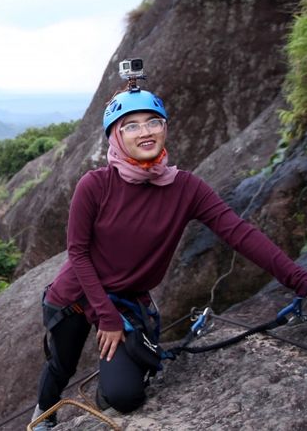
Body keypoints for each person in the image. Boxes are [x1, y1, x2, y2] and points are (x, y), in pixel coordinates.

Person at [31, 88, 307, 430]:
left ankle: (110, 386)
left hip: (128, 298)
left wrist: (299, 280)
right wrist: (108, 317)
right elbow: (78, 253)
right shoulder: (96, 185)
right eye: (130, 126)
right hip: (77, 295)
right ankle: (44, 415)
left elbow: (239, 233)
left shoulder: (185, 188)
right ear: (115, 137)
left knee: (125, 397)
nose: (145, 131)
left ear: (165, 129)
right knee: (62, 364)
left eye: (153, 122)